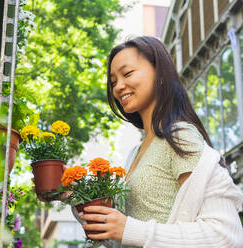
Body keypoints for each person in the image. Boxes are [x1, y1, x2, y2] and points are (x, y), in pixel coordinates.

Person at [75, 36, 243, 247]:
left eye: (127, 73)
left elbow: (224, 236)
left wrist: (128, 229)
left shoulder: (179, 137)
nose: (118, 86)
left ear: (160, 74)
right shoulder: (135, 153)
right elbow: (125, 239)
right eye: (113, 81)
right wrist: (75, 196)